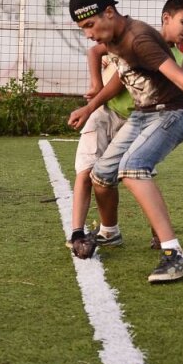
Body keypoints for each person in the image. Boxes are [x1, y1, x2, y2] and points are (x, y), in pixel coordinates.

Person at [67, 0, 183, 283]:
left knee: (133, 168)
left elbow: (178, 78)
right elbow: (123, 80)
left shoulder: (139, 39)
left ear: (109, 13)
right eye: (83, 28)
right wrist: (90, 106)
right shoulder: (112, 37)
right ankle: (109, 233)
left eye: (89, 25)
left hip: (173, 113)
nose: (88, 34)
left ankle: (174, 254)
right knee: (100, 175)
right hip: (143, 113)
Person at [66, 43, 134, 258]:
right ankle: (77, 233)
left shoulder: (165, 52)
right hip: (102, 110)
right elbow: (95, 51)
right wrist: (96, 84)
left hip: (135, 119)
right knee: (86, 171)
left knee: (136, 175)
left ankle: (157, 232)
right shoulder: (122, 36)